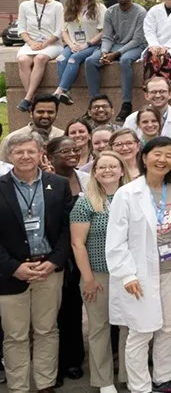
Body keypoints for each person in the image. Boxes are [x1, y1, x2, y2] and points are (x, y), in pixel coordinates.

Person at [106, 137, 171, 393]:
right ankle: (140, 387)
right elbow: (116, 240)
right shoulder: (127, 193)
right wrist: (126, 275)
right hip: (140, 275)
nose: (163, 159)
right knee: (141, 331)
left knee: (169, 328)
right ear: (144, 157)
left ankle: (163, 378)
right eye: (157, 154)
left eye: (169, 155)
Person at [0, 134, 73, 393]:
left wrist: (54, 261)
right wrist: (13, 267)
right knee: (15, 337)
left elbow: (67, 229)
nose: (25, 156)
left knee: (47, 330)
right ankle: (18, 387)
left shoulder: (60, 184)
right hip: (10, 275)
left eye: (30, 151)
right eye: (18, 152)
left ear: (41, 152)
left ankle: (45, 384)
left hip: (48, 271)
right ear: (9, 156)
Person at [71, 152, 128, 393]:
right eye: (101, 167)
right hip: (98, 273)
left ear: (122, 170)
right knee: (99, 328)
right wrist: (88, 279)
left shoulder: (132, 198)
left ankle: (129, 375)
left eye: (113, 166)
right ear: (94, 172)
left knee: (129, 327)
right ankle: (104, 380)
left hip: (127, 274)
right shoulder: (86, 202)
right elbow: (77, 243)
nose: (107, 171)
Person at [15, 0, 65, 113]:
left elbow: (59, 30)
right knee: (23, 60)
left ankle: (28, 98)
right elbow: (21, 29)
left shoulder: (57, 6)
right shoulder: (25, 6)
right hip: (31, 43)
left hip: (52, 43)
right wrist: (31, 43)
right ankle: (30, 99)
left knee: (40, 59)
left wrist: (45, 43)